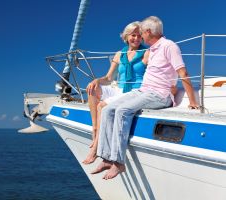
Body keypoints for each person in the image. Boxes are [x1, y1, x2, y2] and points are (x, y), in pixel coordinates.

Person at [92, 16, 199, 180]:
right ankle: (106, 158)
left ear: (148, 32)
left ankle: (118, 162)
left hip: (159, 95)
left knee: (123, 110)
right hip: (144, 91)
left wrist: (192, 101)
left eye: (141, 32)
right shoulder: (153, 49)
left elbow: (183, 73)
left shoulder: (169, 46)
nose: (140, 36)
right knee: (108, 109)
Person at [83, 21, 149, 164]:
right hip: (119, 88)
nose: (136, 39)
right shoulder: (120, 54)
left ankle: (95, 148)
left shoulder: (146, 53)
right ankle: (95, 131)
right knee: (92, 89)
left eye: (139, 36)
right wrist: (96, 80)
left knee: (102, 105)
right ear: (126, 36)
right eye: (133, 35)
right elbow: (108, 78)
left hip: (134, 90)